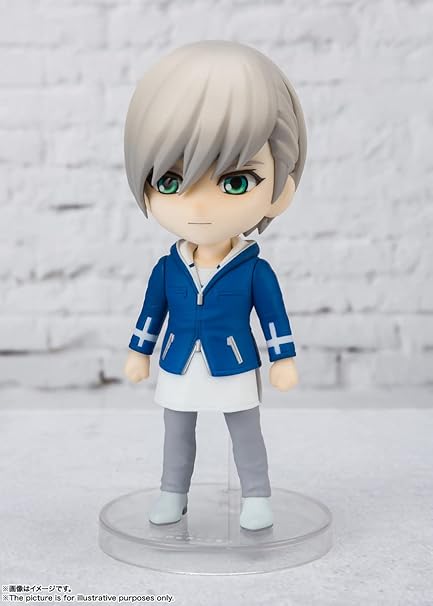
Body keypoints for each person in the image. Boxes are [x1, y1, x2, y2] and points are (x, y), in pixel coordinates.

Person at [123, 40, 307, 531]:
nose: (199, 206)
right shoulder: (168, 268)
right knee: (176, 431)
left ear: (280, 191)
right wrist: (139, 352)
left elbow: (273, 317)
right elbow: (151, 313)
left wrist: (283, 359)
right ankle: (172, 492)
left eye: (236, 182)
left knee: (244, 431)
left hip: (233, 360)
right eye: (170, 181)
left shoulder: (253, 270)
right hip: (179, 360)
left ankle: (256, 495)